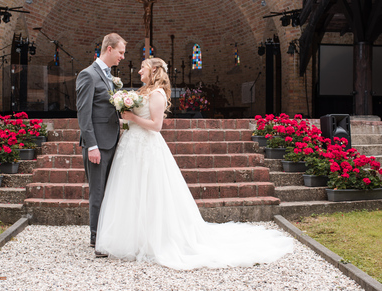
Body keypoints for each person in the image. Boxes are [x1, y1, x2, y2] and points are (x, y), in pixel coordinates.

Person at [95, 57, 294, 269]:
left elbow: (156, 126)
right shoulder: (142, 92)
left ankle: (155, 240)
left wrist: (132, 119)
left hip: (147, 148)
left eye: (142, 68)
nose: (139, 72)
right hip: (131, 147)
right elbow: (134, 118)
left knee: (151, 192)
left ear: (153, 70)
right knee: (131, 192)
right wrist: (124, 120)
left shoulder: (157, 94)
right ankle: (132, 238)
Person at [76, 33, 127, 256]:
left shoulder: (107, 76)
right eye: (121, 52)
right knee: (97, 192)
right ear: (109, 49)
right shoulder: (88, 75)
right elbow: (84, 114)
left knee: (107, 191)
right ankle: (97, 240)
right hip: (98, 145)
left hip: (111, 141)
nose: (122, 57)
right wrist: (92, 146)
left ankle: (103, 235)